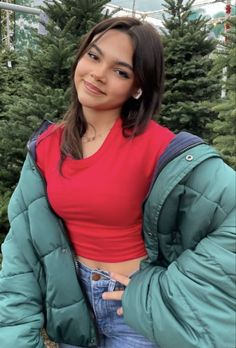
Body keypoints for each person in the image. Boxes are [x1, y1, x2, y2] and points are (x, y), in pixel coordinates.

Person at [0, 16, 235, 348]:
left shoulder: (160, 148)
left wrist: (171, 287)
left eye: (120, 71)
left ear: (137, 87)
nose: (98, 73)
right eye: (94, 56)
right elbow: (21, 251)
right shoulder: (45, 148)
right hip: (74, 310)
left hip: (135, 311)